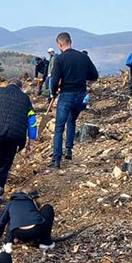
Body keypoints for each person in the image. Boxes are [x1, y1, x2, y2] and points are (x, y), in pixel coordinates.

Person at [0, 78, 37, 204]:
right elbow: (32, 123)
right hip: (14, 138)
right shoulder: (26, 99)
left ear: (8, 84)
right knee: (3, 168)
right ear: (21, 88)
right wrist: (31, 143)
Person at [48, 32, 99, 169]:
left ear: (60, 44)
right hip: (81, 96)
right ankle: (69, 150)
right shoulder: (83, 57)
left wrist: (53, 93)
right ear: (70, 41)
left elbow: (54, 79)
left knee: (59, 127)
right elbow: (94, 75)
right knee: (72, 120)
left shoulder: (59, 59)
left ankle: (56, 159)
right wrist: (81, 76)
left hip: (66, 95)